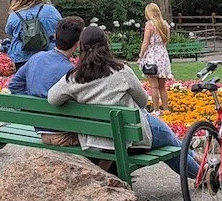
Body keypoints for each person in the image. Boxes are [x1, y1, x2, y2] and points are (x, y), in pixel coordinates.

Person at [47, 26, 199, 178]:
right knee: (169, 141)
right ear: (106, 45)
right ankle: (201, 173)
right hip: (130, 140)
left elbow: (52, 98)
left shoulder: (74, 78)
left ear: (81, 47)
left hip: (94, 142)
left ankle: (197, 160)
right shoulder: (121, 71)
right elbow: (143, 101)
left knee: (169, 139)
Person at [9, 16, 85, 146]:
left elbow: (14, 85)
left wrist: (34, 100)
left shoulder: (36, 57)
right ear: (77, 44)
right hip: (65, 133)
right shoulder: (70, 71)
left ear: (55, 36)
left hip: (41, 129)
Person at [5, 0, 62, 71]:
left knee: (24, 79)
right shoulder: (51, 10)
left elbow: (9, 31)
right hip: (47, 53)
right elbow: (60, 28)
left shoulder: (15, 14)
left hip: (22, 55)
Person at [138, 2, 173, 114]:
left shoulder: (150, 24)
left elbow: (146, 42)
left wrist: (141, 55)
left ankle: (156, 110)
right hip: (163, 55)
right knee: (162, 87)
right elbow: (166, 41)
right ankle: (166, 109)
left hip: (152, 56)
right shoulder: (165, 24)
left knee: (154, 87)